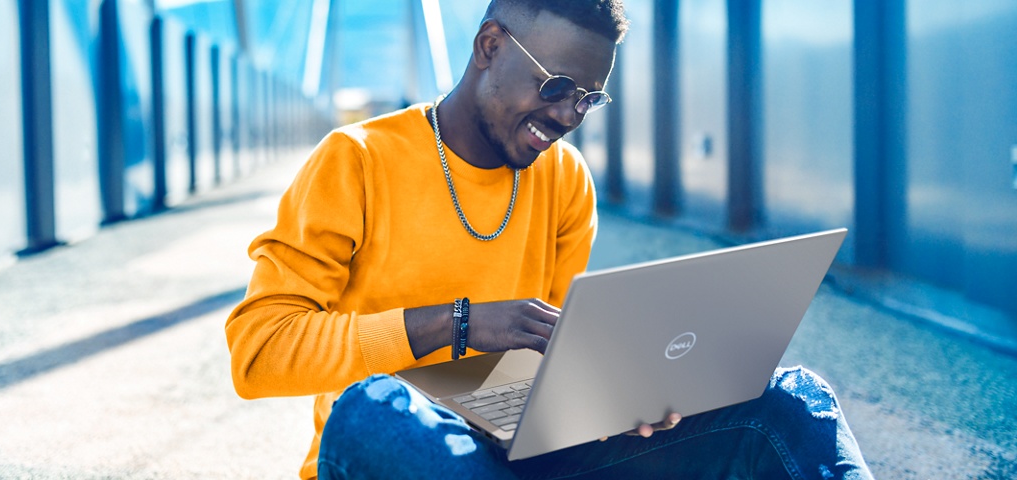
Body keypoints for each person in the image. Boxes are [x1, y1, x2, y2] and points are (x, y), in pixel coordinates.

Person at [226, 0, 874, 478]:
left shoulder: (565, 180)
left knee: (789, 400)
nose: (567, 116)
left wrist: (627, 393)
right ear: (488, 47)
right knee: (370, 406)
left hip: (526, 448)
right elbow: (258, 354)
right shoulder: (357, 160)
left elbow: (559, 362)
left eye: (587, 99)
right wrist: (462, 325)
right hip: (406, 447)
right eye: (557, 86)